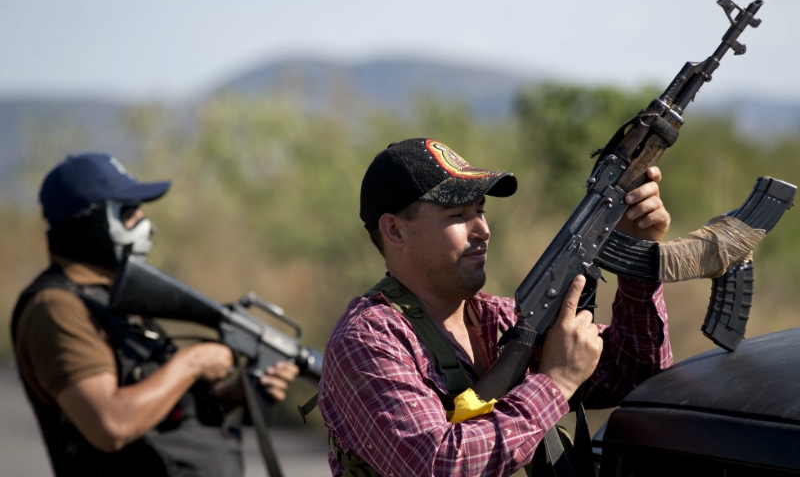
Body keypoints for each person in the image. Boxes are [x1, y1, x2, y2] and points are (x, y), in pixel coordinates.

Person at [317, 138, 672, 476]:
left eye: (480, 210)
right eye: (457, 214)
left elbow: (636, 374)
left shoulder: (500, 319)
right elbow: (439, 465)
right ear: (394, 231)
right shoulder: (369, 340)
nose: (482, 229)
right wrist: (555, 383)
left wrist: (638, 253)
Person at [11, 153, 299, 477]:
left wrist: (237, 393)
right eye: (129, 212)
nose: (147, 225)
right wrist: (192, 363)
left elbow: (159, 418)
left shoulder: (109, 300)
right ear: (90, 221)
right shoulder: (56, 307)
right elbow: (112, 424)